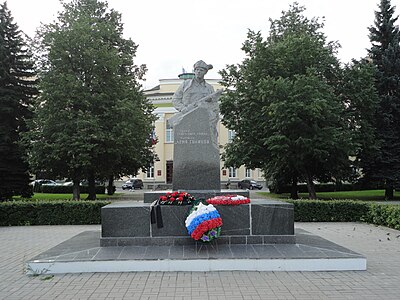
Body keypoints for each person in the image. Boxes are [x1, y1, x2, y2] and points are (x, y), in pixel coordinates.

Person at [170, 60, 223, 145]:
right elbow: (175, 99)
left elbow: (214, 105)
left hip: (204, 120)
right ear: (194, 71)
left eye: (201, 70)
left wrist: (210, 101)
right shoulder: (185, 85)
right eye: (197, 70)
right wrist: (183, 109)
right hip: (187, 119)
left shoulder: (209, 88)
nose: (198, 72)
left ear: (205, 72)